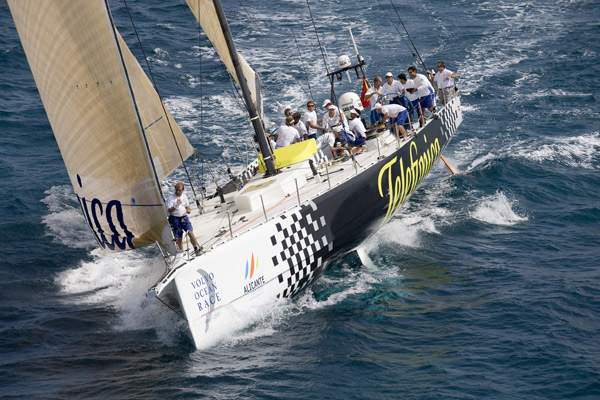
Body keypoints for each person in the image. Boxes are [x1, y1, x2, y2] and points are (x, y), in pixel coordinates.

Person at [168, 182, 201, 254]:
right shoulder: (171, 198)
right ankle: (182, 252)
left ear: (182, 190)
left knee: (190, 232)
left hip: (184, 217)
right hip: (175, 219)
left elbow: (187, 206)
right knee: (179, 236)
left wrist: (189, 210)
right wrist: (176, 205)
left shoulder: (184, 197)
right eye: (176, 190)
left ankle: (196, 248)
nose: (178, 192)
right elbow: (169, 210)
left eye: (179, 190)